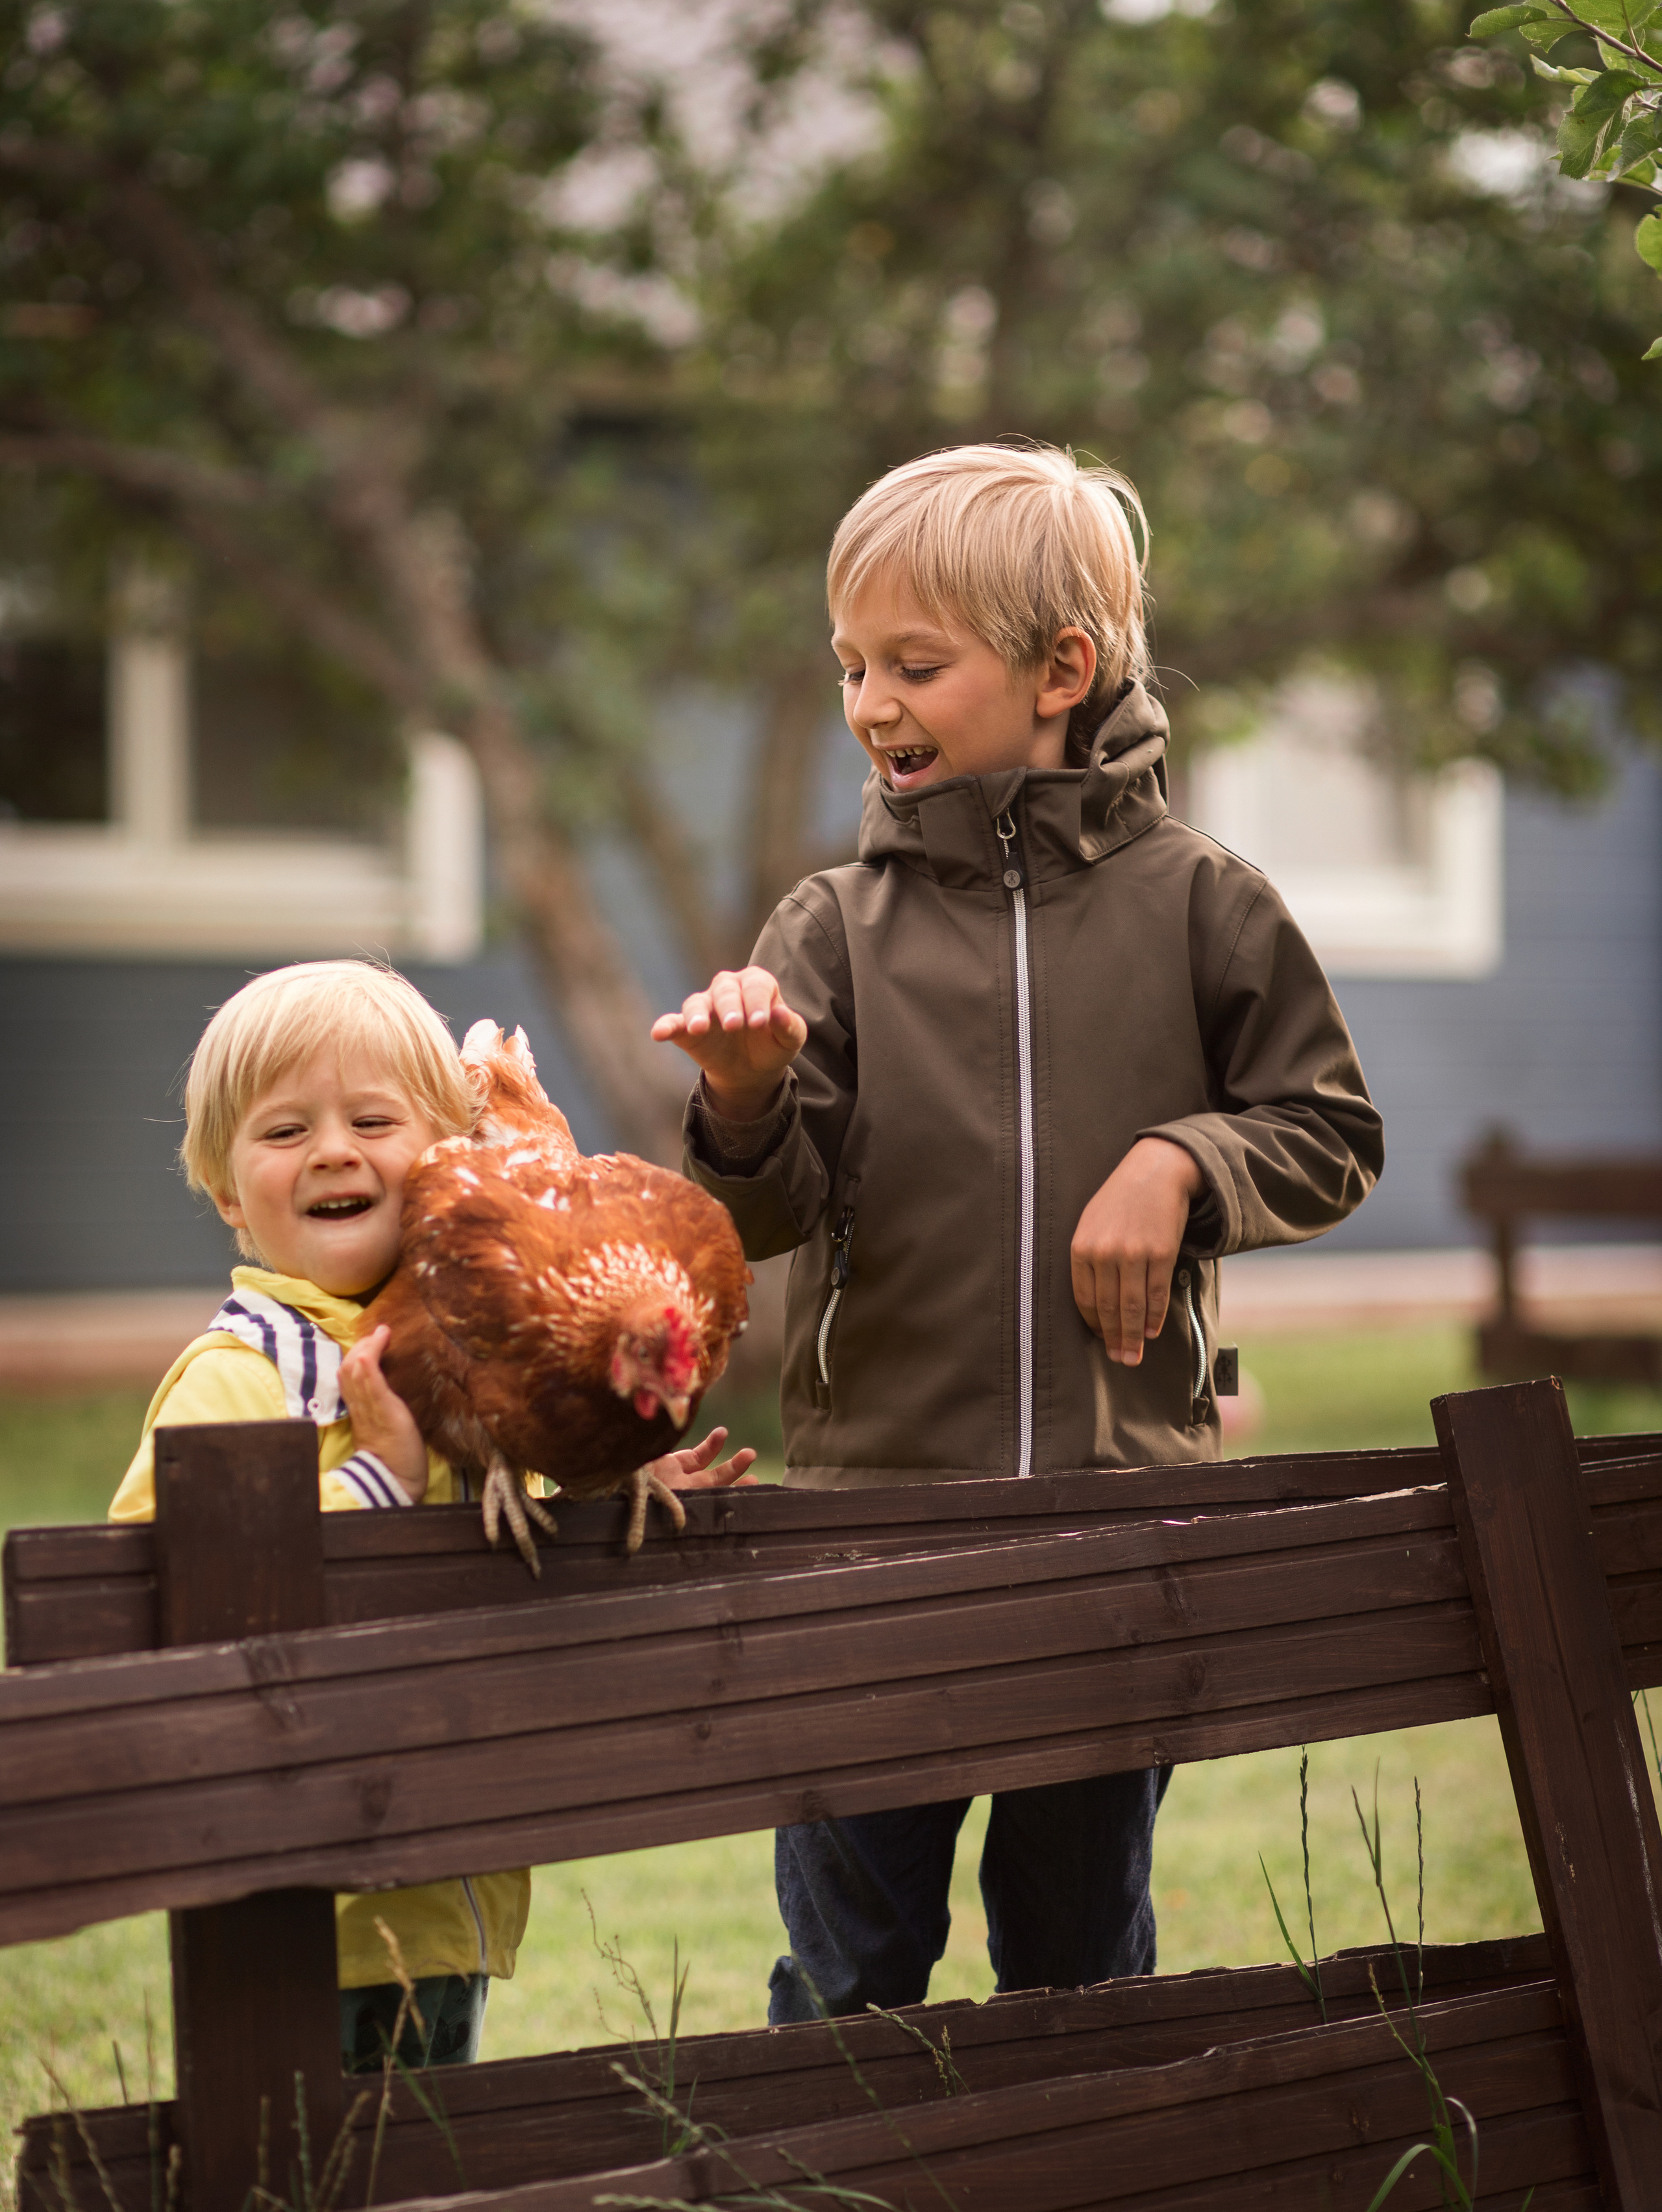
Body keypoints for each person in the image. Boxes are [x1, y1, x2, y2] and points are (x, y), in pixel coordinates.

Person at [652, 441, 1384, 2022]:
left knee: (1078, 1966)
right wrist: (740, 1103)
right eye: (850, 666)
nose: (869, 704)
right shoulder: (826, 927)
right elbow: (765, 1214)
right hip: (872, 1531)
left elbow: (1330, 1135)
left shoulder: (1207, 904)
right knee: (849, 1974)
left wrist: (1182, 1161)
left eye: (915, 664)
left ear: (1062, 667)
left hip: (1119, 1533)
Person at [112, 959, 752, 2072]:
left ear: (444, 1169)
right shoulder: (237, 1376)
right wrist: (380, 1485)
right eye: (284, 1132)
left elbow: (500, 1545)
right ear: (226, 1191)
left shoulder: (464, 1352)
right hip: (294, 1892)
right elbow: (147, 1607)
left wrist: (607, 1494)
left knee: (423, 2158)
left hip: (440, 1882)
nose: (334, 1151)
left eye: (373, 1120)